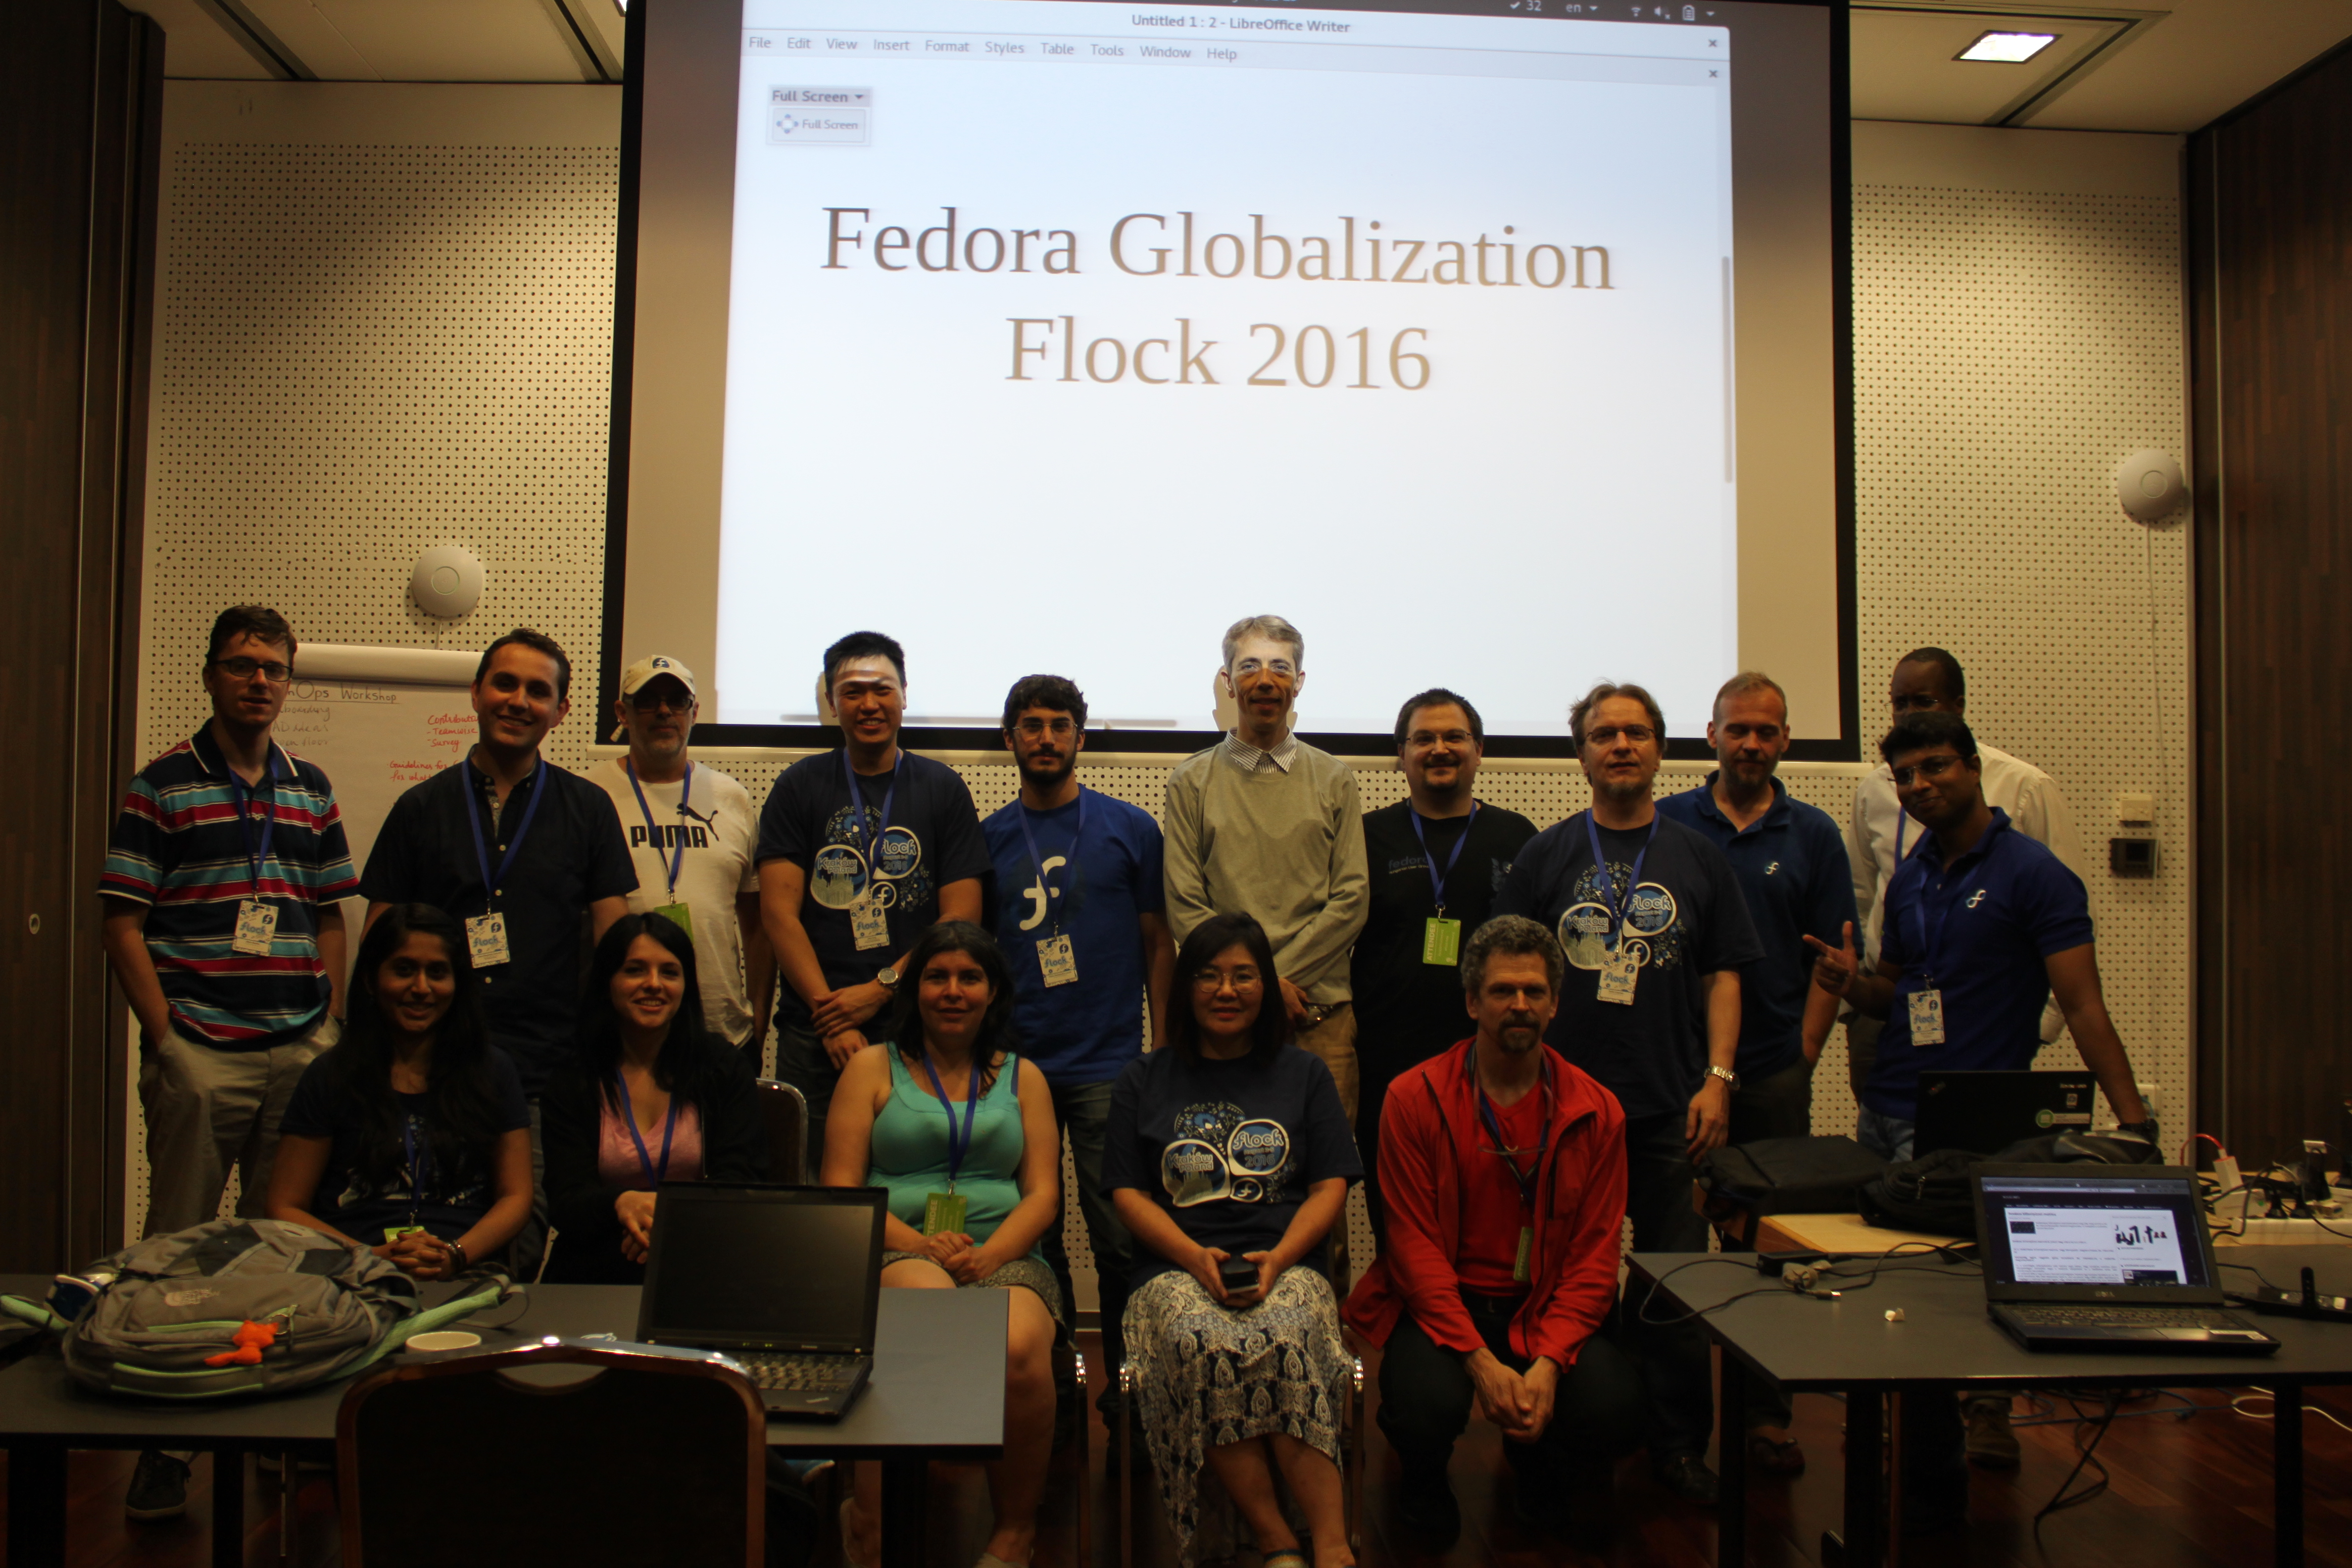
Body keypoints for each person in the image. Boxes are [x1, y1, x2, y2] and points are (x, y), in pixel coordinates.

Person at [1807, 710, 2155, 1521]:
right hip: (1892, 1111)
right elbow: (1896, 990)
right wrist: (1846, 983)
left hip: (1983, 1127)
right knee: (1895, 1299)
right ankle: (1919, 1465)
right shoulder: (1915, 872)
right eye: (1905, 776)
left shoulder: (2035, 873)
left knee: (1968, 1299)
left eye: (1935, 768)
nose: (1921, 785)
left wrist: (2133, 1124)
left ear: (1972, 768)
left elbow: (2082, 1002)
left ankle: (1959, 1455)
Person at [100, 605, 356, 1523]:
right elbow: (123, 919)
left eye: (275, 669)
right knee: (178, 1246)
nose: (259, 681)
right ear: (211, 675)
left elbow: (330, 911)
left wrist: (326, 1020)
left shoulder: (311, 786)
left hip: (296, 1046)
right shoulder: (162, 785)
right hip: (202, 1051)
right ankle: (162, 1448)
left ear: (290, 681)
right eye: (243, 665)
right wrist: (167, 1036)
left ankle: (263, 1433)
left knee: (280, 1250)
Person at [1492, 681, 1761, 1505]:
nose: (1619, 745)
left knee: (1674, 1281)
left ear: (1659, 750)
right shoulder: (1546, 854)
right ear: (1580, 754)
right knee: (1549, 1276)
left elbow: (1723, 973)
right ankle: (1544, 1429)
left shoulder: (1696, 855)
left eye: (1636, 732)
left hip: (1665, 1107)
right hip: (1560, 1112)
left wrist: (1717, 1079)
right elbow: (1508, 975)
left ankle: (1677, 1444)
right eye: (1603, 733)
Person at [1344, 916, 1641, 1544]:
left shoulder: (1598, 1110)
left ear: (1556, 1004)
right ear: (1473, 1001)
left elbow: (1595, 1260)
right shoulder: (1411, 1098)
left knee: (1615, 1408)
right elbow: (1411, 1250)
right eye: (1504, 990)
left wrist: (1550, 1365)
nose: (1520, 1005)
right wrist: (1480, 1362)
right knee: (1422, 1408)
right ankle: (1423, 1479)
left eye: (1535, 992)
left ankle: (1540, 1464)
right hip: (1445, 1309)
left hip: (1543, 1310)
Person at [358, 627, 636, 1278]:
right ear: (477, 693)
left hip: (544, 1074)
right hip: (428, 1073)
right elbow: (377, 948)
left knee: (519, 1245)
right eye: (505, 684)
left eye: (539, 691)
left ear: (561, 712)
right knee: (421, 1234)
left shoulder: (588, 810)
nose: (519, 700)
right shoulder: (419, 808)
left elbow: (613, 947)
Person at [1104, 913, 1362, 1568]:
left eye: (1244, 976)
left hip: (1285, 1261)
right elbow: (1128, 1194)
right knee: (1203, 1343)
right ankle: (1276, 1539)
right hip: (1173, 1269)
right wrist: (1193, 1257)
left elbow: (1331, 1186)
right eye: (1210, 976)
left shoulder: (1304, 1075)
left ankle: (1332, 1548)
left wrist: (1280, 1259)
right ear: (1185, 988)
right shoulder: (1145, 1078)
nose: (1227, 990)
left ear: (1267, 987)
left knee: (1287, 1335)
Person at [1656, 671, 1856, 1473]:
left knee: (1768, 1250)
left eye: (1764, 731)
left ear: (1784, 739)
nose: (1749, 743)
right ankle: (1671, 1421)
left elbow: (1832, 960)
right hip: (1681, 1075)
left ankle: (1765, 1417)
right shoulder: (1670, 822)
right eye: (1736, 729)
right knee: (1678, 1246)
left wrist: (1804, 1055)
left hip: (1773, 1068)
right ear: (1710, 735)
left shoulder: (1812, 835)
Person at [821, 923, 1062, 1568]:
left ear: (992, 992)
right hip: (895, 1250)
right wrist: (922, 1247)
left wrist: (991, 1255)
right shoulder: (871, 1068)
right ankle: (872, 1522)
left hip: (1005, 1254)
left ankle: (1014, 1532)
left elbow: (1042, 1195)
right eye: (937, 977)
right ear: (915, 988)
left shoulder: (1025, 1078)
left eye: (969, 978)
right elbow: (841, 1190)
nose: (952, 991)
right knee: (930, 1320)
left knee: (1016, 1350)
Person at [983, 673, 1174, 1411]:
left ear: (1080, 739)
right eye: (1030, 726)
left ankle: (1131, 1388)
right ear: (1010, 740)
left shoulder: (1131, 828)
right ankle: (1053, 1385)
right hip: (1017, 1066)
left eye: (1059, 725)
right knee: (1036, 1234)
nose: (1045, 739)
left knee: (1120, 1236)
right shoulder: (989, 836)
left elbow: (1159, 944)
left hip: (1110, 1063)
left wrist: (1160, 1049)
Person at [758, 631, 988, 1164]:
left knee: (913, 1179)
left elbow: (961, 917)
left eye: (882, 689)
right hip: (815, 1029)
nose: (869, 704)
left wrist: (882, 989)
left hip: (917, 1023)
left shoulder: (942, 788)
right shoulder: (798, 786)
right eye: (853, 691)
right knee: (812, 1194)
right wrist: (833, 1017)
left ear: (904, 695)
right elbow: (778, 914)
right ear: (832, 702)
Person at [1843, 647, 2081, 1105]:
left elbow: (2068, 909)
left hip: (1983, 1022)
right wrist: (1856, 1003)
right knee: (1885, 1142)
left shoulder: (2024, 786)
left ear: (1958, 707)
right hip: (1888, 1006)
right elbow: (1859, 893)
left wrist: (2041, 1026)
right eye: (1900, 703)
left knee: (1962, 1153)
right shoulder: (1875, 788)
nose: (1909, 714)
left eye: (1924, 701)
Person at [1163, 615, 1368, 1132]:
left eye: (1280, 667)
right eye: (1249, 666)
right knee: (1223, 1178)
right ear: (1229, 682)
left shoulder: (1335, 779)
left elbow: (1351, 898)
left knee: (1323, 1185)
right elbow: (1186, 904)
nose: (1265, 680)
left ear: (1298, 683)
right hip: (1223, 1018)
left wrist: (1276, 984)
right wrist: (1258, 984)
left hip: (1317, 1018)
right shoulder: (1191, 781)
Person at [1351, 688, 1537, 1238]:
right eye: (1423, 739)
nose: (1440, 749)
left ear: (1478, 751)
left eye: (1454, 737)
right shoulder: (1366, 837)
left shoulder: (1517, 837)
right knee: (1397, 1214)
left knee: (1487, 1210)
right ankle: (1408, 1321)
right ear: (1401, 755)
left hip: (1490, 1062)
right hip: (1387, 1063)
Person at [266, 902, 532, 1280]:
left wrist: (455, 1256)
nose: (421, 988)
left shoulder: (493, 1071)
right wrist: (369, 1257)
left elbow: (516, 1198)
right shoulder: (329, 1076)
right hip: (354, 1275)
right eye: (404, 970)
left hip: (466, 1270)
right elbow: (284, 1206)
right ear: (371, 981)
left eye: (437, 973)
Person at [540, 913, 769, 1284]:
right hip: (597, 1261)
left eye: (669, 972)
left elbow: (743, 1183)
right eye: (635, 970)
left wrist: (669, 1222)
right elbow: (566, 1202)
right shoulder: (573, 1077)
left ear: (686, 985)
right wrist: (620, 1203)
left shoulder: (723, 1067)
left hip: (703, 1259)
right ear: (608, 982)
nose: (653, 985)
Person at [588, 654, 773, 1059]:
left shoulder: (732, 797)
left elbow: (757, 926)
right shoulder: (588, 796)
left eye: (677, 700)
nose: (664, 711)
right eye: (648, 700)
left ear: (695, 712)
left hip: (722, 1036)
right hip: (620, 1037)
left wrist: (758, 1022)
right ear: (623, 712)